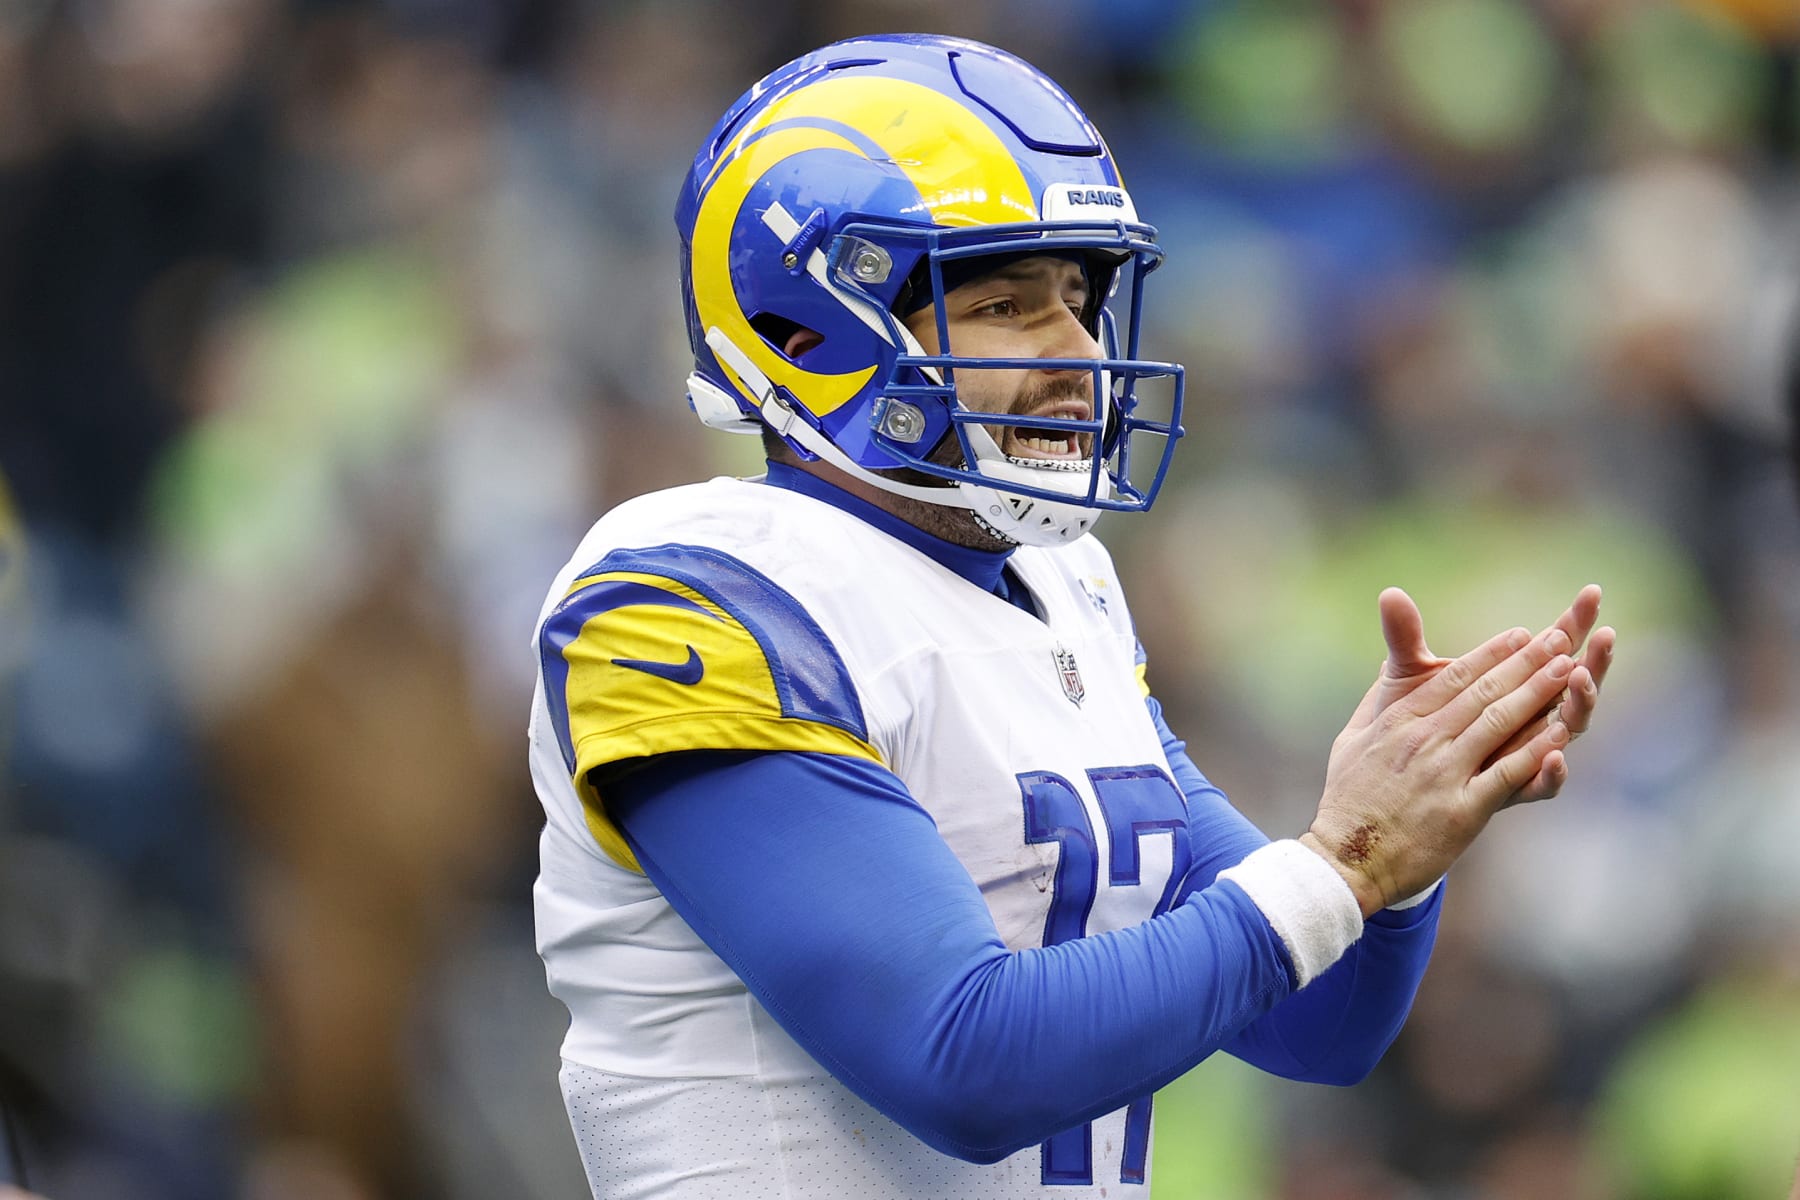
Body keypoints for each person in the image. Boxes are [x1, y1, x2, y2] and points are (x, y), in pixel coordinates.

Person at [527, 34, 1615, 1199]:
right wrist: (1344, 862)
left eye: (1082, 299)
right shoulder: (687, 594)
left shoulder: (1067, 583)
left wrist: (1412, 823)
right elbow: (964, 1062)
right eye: (1004, 302)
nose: (1079, 355)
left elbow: (1321, 1025)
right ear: (807, 332)